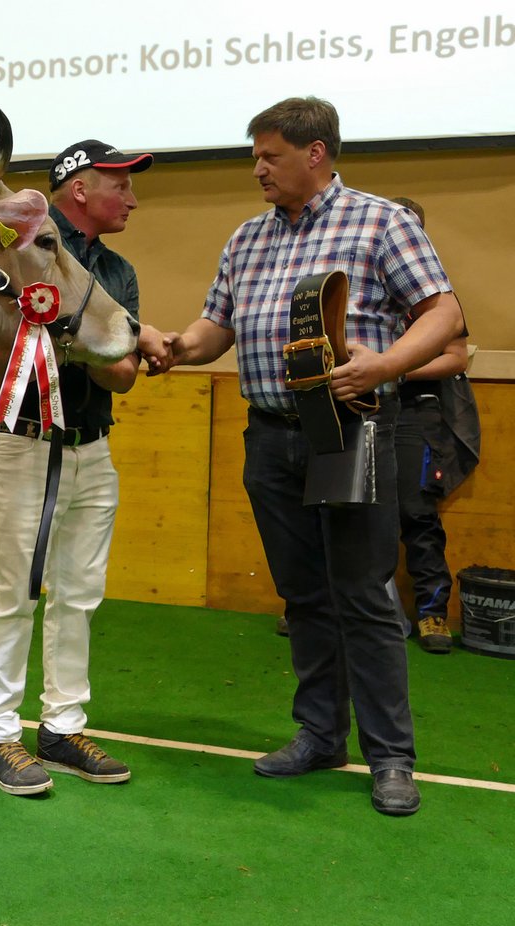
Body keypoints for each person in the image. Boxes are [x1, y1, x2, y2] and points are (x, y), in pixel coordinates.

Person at [157, 98, 464, 816]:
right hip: (269, 434)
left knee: (363, 594)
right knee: (302, 597)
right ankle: (320, 734)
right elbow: (216, 326)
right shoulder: (246, 237)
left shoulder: (382, 220)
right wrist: (177, 347)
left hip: (350, 431)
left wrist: (384, 366)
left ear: (316, 153)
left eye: (270, 155)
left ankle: (390, 758)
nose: (257, 168)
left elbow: (443, 312)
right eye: (255, 156)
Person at [0, 139, 168, 794]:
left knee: (80, 593)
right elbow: (0, 340)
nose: (134, 199)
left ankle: (60, 726)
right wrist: (90, 335)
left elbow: (122, 375)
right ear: (80, 189)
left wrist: (66, 334)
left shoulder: (119, 270)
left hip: (93, 446)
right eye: (122, 186)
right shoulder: (16, 249)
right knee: (15, 592)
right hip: (22, 441)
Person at [390, 197, 481, 654]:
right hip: (362, 408)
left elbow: (455, 358)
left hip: (415, 410)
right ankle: (325, 609)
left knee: (416, 512)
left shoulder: (435, 296)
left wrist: (396, 370)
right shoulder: (357, 289)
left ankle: (432, 614)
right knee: (347, 511)